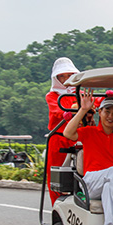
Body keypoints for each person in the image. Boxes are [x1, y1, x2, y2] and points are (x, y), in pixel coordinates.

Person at [63, 91, 113, 225]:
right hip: (90, 182)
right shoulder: (89, 132)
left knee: (109, 189)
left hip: (110, 183)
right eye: (107, 112)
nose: (110, 116)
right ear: (100, 113)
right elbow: (68, 133)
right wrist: (83, 110)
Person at [45, 57, 81, 203]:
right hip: (58, 137)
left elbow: (92, 103)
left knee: (81, 170)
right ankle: (57, 205)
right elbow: (57, 111)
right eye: (62, 76)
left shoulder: (78, 93)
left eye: (68, 75)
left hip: (77, 137)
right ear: (56, 78)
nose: (66, 79)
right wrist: (68, 113)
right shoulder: (53, 95)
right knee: (56, 173)